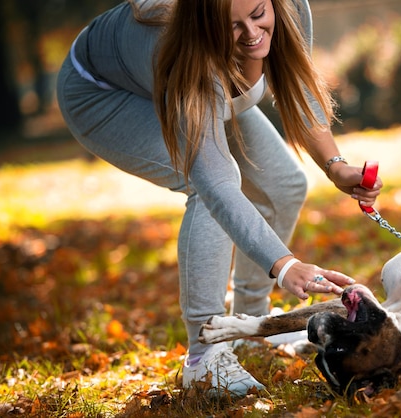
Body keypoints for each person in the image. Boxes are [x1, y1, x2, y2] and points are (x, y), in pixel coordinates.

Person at [56, 0, 382, 396]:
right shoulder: (181, 53)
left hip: (204, 73)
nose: (251, 33)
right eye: (233, 26)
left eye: (259, 13)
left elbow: (296, 84)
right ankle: (205, 357)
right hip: (102, 94)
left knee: (284, 184)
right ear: (205, 22)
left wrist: (335, 166)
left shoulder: (291, 7)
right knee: (207, 186)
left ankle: (250, 324)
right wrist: (284, 265)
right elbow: (217, 184)